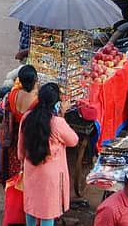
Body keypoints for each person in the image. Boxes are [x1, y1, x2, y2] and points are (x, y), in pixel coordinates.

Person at [17, 83, 79, 226]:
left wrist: (22, 161)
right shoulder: (57, 123)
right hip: (50, 176)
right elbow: (73, 140)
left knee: (31, 207)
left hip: (31, 169)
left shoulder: (27, 117)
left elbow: (21, 145)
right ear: (56, 104)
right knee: (47, 212)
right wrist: (62, 115)